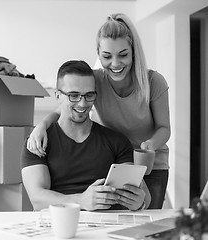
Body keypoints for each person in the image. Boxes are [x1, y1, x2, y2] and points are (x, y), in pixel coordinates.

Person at [27, 13, 170, 209]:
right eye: (106, 56)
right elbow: (65, 105)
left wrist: (150, 145)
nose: (115, 63)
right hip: (115, 159)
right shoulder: (95, 81)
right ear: (98, 54)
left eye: (123, 54)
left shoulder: (153, 82)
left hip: (148, 160)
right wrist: (41, 126)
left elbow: (164, 127)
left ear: (133, 52)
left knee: (146, 214)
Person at [21, 60, 150, 211]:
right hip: (61, 226)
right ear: (57, 96)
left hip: (108, 228)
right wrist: (81, 200)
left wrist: (139, 202)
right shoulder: (38, 142)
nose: (82, 104)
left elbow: (143, 195)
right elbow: (37, 199)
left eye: (89, 95)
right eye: (74, 95)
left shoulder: (117, 141)